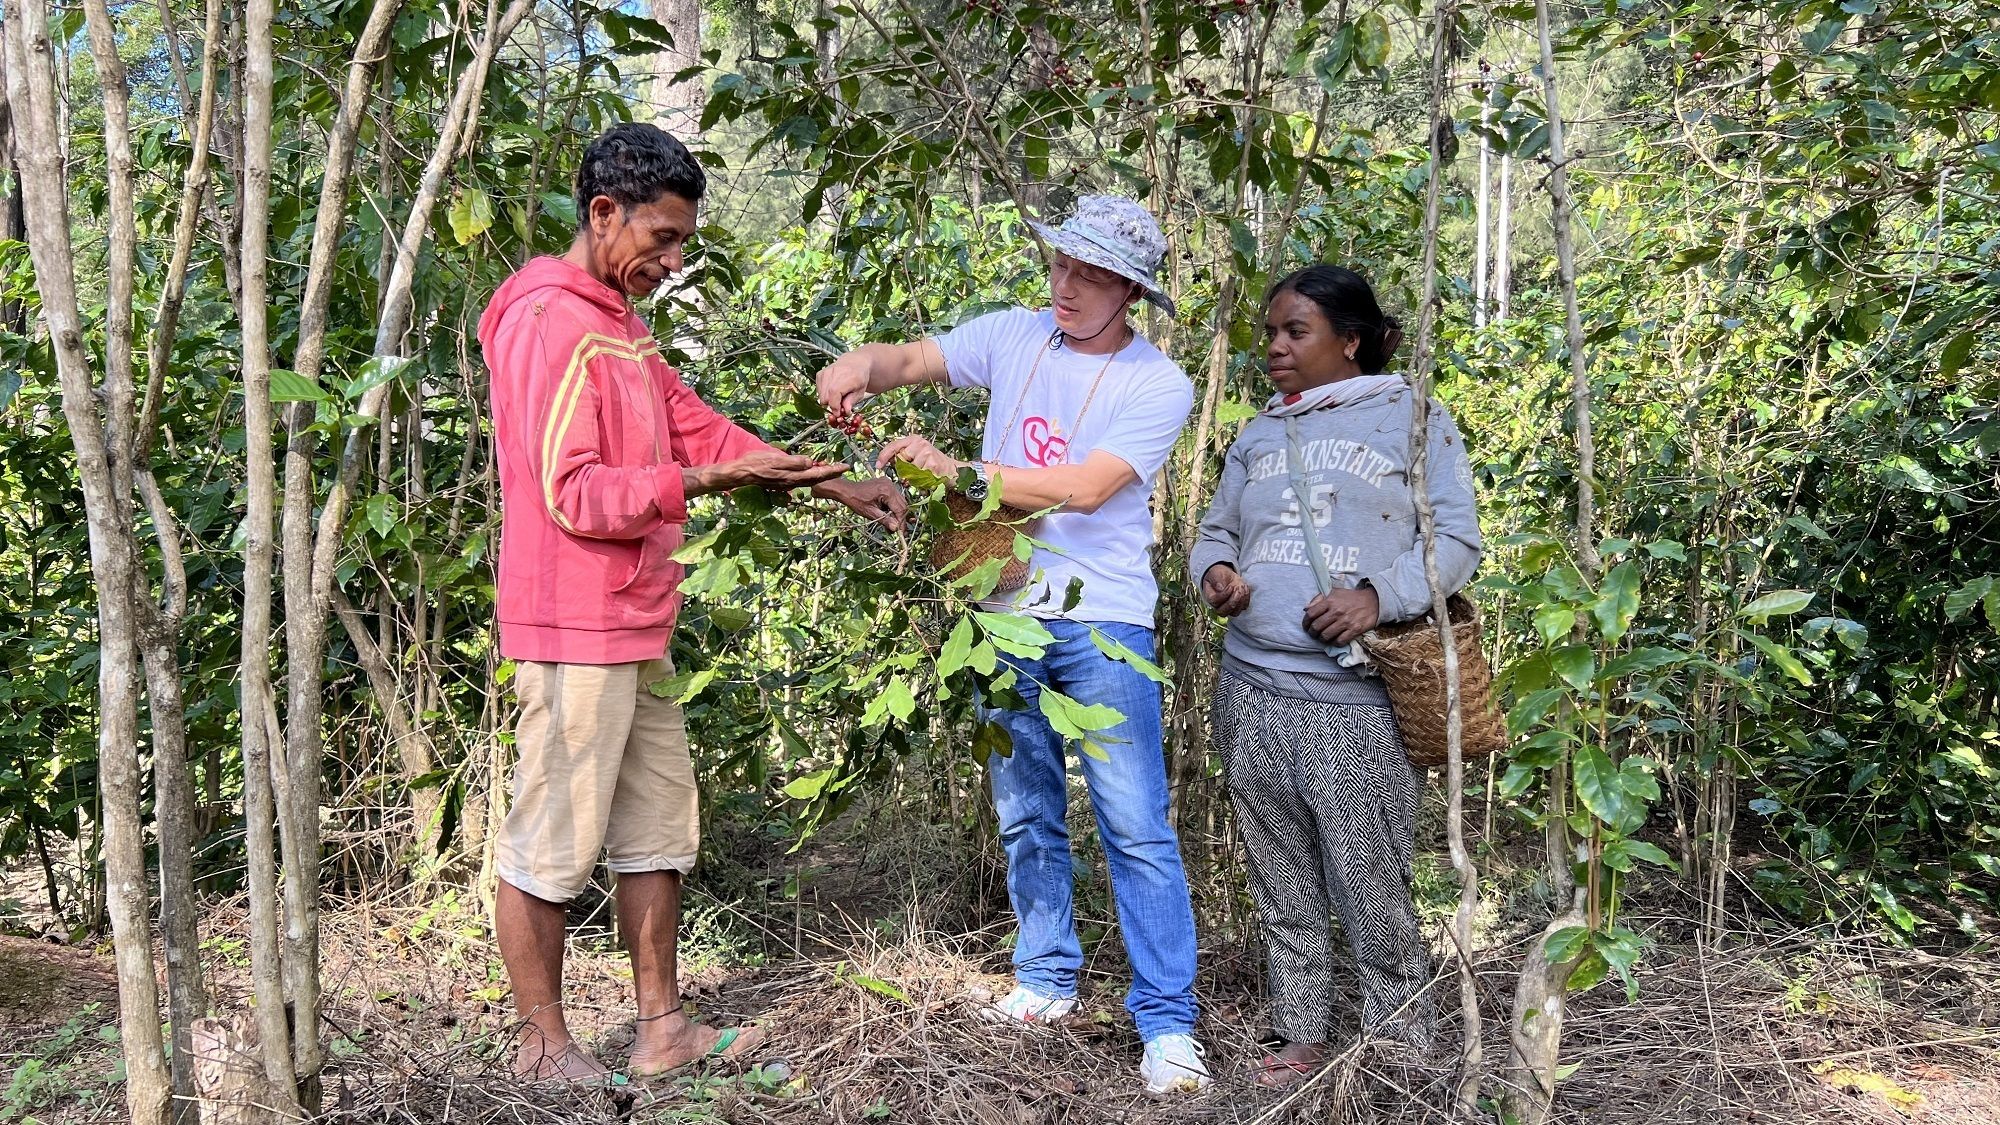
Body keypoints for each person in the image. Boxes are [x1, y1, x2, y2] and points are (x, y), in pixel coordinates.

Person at [478, 122, 905, 1081]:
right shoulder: (550, 319)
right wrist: (703, 484)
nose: (671, 262)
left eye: (681, 243)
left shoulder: (620, 326)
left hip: (637, 616)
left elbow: (696, 425)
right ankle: (542, 1046)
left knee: (656, 828)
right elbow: (573, 493)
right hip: (573, 623)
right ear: (602, 213)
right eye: (661, 239)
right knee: (553, 837)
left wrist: (835, 482)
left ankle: (661, 1028)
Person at [814, 195, 1211, 1094]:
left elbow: (1084, 487)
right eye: (1063, 266)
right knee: (1027, 804)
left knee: (1135, 821)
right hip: (998, 606)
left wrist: (960, 472)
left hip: (1102, 616)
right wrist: (860, 368)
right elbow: (914, 357)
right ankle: (1046, 978)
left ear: (1132, 291)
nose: (1067, 287)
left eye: (1093, 276)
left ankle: (1168, 1024)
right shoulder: (1016, 334)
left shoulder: (1159, 384)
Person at [1188, 264, 1482, 1085]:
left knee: (1370, 882)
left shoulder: (1413, 420)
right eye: (1270, 332)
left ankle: (1400, 1044)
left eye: (1295, 332)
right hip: (1250, 690)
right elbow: (1214, 533)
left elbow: (1456, 541)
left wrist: (1375, 597)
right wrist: (1216, 575)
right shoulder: (1257, 433)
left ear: (1350, 341)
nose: (1274, 347)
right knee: (1281, 878)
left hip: (1354, 704)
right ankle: (1300, 1031)